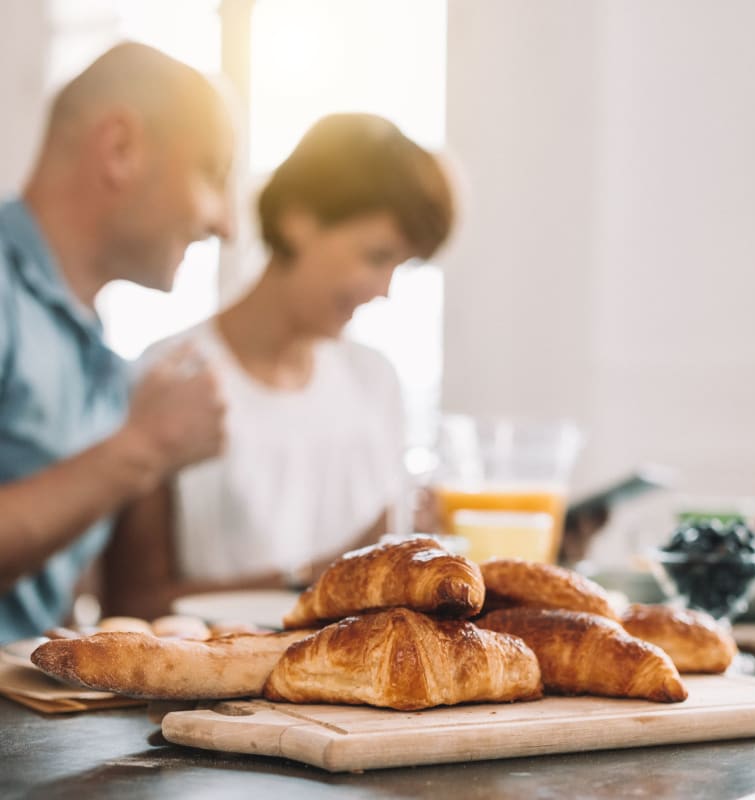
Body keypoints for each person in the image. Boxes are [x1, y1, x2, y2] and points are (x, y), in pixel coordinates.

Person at [103, 113, 455, 618]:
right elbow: (133, 605)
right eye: (377, 256)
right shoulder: (171, 376)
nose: (385, 289)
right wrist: (332, 574)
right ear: (299, 219)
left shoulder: (374, 380)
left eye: (400, 266)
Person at [0, 42, 234, 642]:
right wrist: (143, 448)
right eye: (212, 174)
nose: (225, 224)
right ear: (120, 149)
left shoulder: (100, 355)